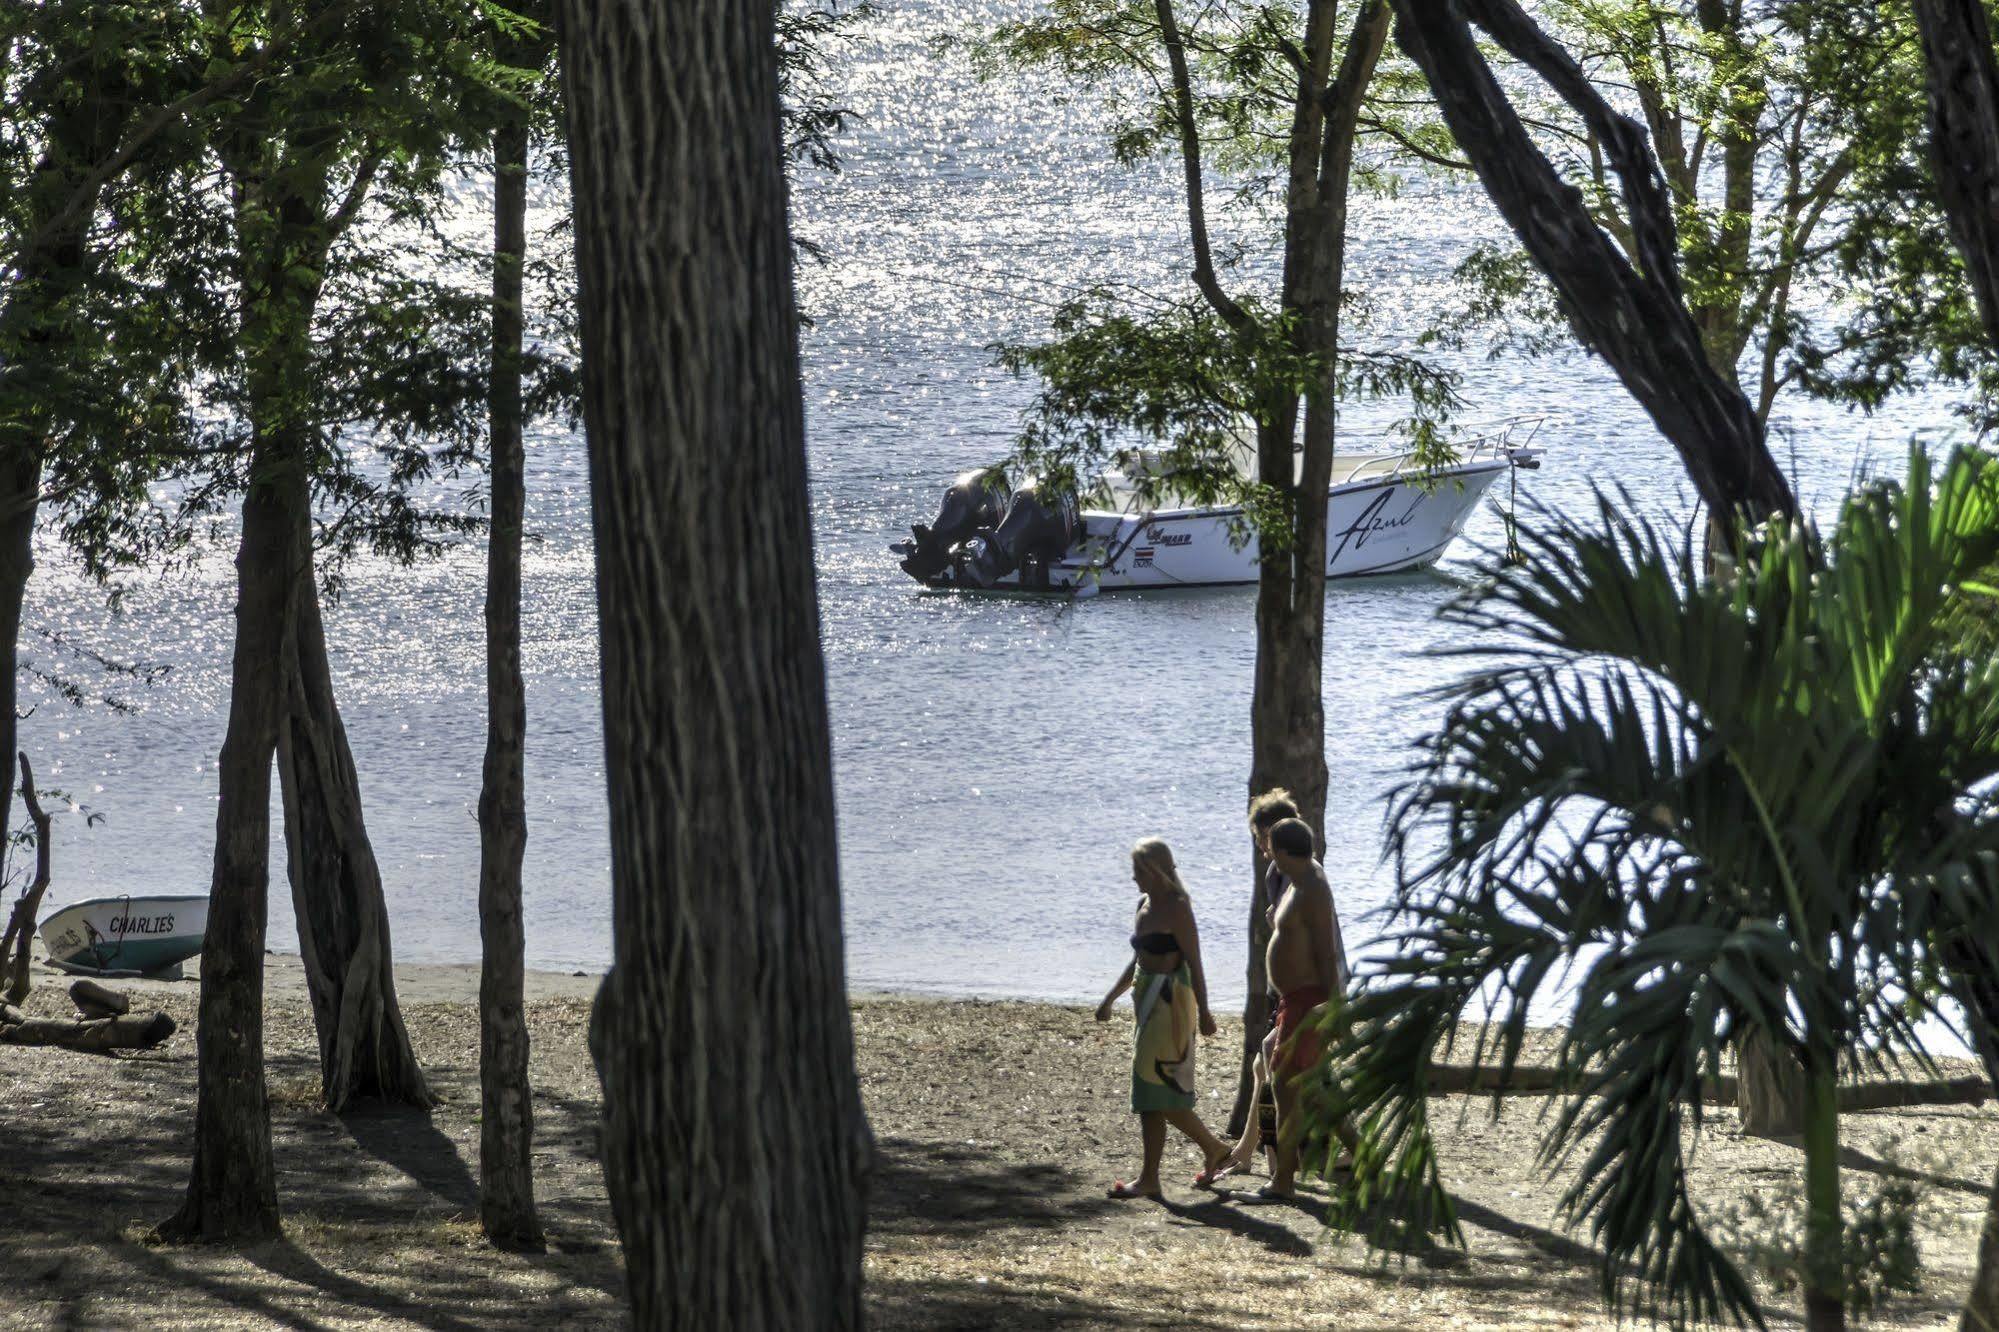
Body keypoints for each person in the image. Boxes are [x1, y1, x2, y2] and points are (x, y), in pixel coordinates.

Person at [1095, 837, 1231, 1200]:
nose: (1134, 878)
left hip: (1172, 1005)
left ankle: (1212, 1146)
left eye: (1139, 870)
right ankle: (1152, 1177)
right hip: (1146, 1001)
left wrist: (1205, 1012)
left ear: (1155, 871)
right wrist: (1110, 997)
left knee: (1157, 1089)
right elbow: (1138, 958)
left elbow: (1195, 962)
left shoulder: (1178, 907)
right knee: (1147, 1091)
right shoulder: (1144, 904)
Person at [1238, 816, 1349, 1203]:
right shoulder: (1297, 881)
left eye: (1271, 847)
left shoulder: (1314, 886)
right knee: (1311, 1091)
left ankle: (1282, 1182)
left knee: (1286, 1092)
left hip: (1307, 1002)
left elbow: (1326, 951)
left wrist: (1335, 1009)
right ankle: (1365, 1160)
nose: (1267, 853)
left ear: (1286, 851)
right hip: (1294, 1001)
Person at [1207, 788, 1299, 1184]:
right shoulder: (1278, 874)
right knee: (1267, 1064)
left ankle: (1278, 1167)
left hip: (1307, 989)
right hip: (1289, 989)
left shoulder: (1297, 874)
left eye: (1263, 839)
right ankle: (1250, 1152)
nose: (1262, 849)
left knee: (1272, 1064)